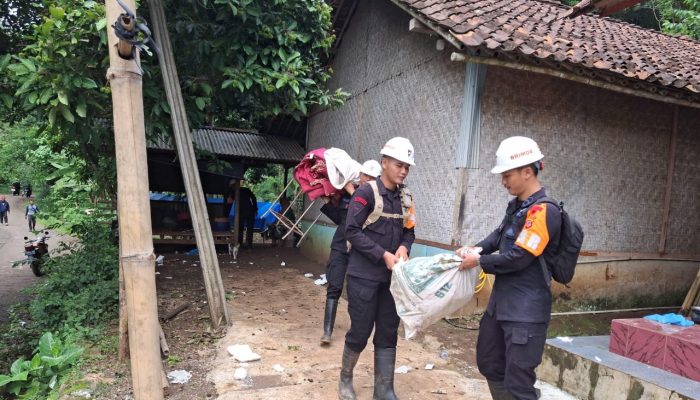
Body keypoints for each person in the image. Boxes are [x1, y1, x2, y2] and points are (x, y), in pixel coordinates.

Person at [458, 136, 562, 400]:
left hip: (525, 314)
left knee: (519, 384)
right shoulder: (517, 207)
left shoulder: (543, 212)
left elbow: (519, 257)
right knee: (490, 363)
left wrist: (479, 261)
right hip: (502, 305)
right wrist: (476, 249)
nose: (503, 181)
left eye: (507, 175)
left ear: (527, 172)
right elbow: (498, 236)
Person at [339, 137, 416, 400]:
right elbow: (351, 231)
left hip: (392, 279)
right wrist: (382, 254)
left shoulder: (406, 198)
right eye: (399, 164)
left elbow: (409, 232)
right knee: (360, 331)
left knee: (387, 331)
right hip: (364, 276)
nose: (404, 170)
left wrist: (405, 248)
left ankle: (383, 389)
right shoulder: (365, 193)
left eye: (407, 166)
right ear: (384, 163)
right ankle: (345, 377)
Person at [319, 159, 381, 345]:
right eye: (364, 175)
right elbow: (341, 219)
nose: (366, 179)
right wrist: (327, 204)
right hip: (340, 246)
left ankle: (357, 332)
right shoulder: (346, 196)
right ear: (359, 175)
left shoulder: (377, 200)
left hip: (360, 251)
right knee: (334, 286)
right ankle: (327, 332)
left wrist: (352, 192)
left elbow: (365, 210)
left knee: (357, 292)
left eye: (371, 177)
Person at [226, 180, 258, 248]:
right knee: (243, 228)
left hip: (247, 211)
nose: (232, 187)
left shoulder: (244, 190)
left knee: (245, 228)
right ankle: (244, 244)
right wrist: (255, 208)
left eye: (232, 186)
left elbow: (229, 202)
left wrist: (255, 208)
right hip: (245, 211)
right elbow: (254, 198)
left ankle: (246, 244)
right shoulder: (242, 190)